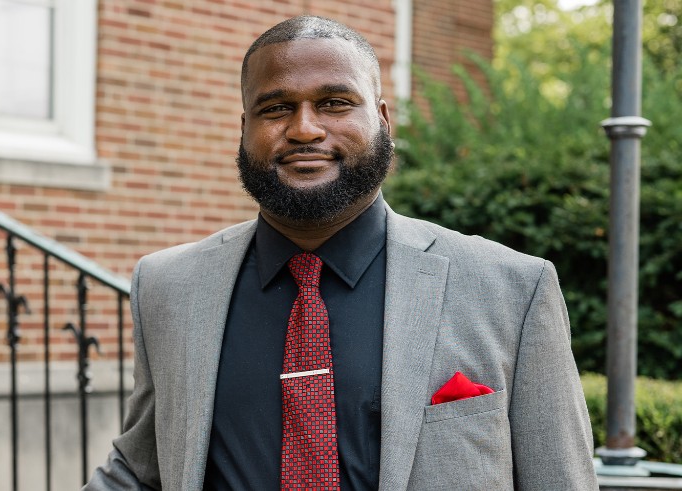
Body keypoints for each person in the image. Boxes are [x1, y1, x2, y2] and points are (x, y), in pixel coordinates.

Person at [84, 15, 597, 491]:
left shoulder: (512, 289)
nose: (305, 128)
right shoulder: (168, 286)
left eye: (334, 102)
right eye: (276, 108)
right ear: (244, 129)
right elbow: (142, 468)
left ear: (382, 121)